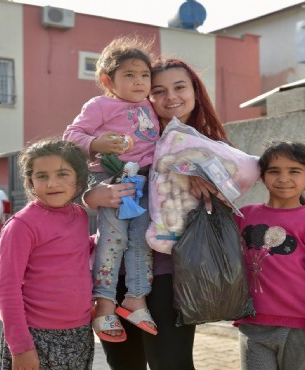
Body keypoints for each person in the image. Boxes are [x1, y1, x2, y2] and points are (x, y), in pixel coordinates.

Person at [83, 57, 229, 370]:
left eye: (179, 87)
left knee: (171, 364)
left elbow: (232, 192)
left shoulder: (210, 145)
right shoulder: (124, 133)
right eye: (159, 90)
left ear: (195, 91)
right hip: (115, 272)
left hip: (170, 274)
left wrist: (192, 168)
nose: (170, 97)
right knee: (125, 366)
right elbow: (72, 183)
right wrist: (90, 197)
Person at [63, 35, 161, 342]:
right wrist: (95, 143)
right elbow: (72, 135)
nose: (139, 81)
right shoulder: (100, 105)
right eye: (129, 75)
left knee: (142, 240)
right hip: (111, 177)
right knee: (113, 238)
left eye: (144, 75)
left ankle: (136, 298)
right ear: (108, 80)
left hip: (144, 181)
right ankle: (104, 303)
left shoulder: (152, 106)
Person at [234, 141, 305, 370]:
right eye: (274, 171)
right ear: (262, 176)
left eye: (294, 171)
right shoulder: (243, 216)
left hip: (300, 330)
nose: (284, 178)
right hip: (253, 325)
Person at [0, 139, 94, 370]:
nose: (52, 183)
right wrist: (21, 348)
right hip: (36, 339)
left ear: (78, 179)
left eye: (62, 174)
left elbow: (74, 250)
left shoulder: (79, 215)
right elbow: (6, 290)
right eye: (41, 176)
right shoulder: (22, 226)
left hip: (79, 334)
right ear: (30, 181)